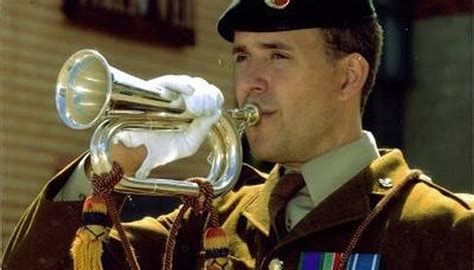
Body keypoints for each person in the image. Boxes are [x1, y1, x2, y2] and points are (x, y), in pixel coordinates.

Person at [3, 0, 473, 269]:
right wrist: (118, 159)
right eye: (245, 56)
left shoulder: (444, 229)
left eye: (278, 56)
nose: (250, 81)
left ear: (348, 77)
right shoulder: (205, 223)